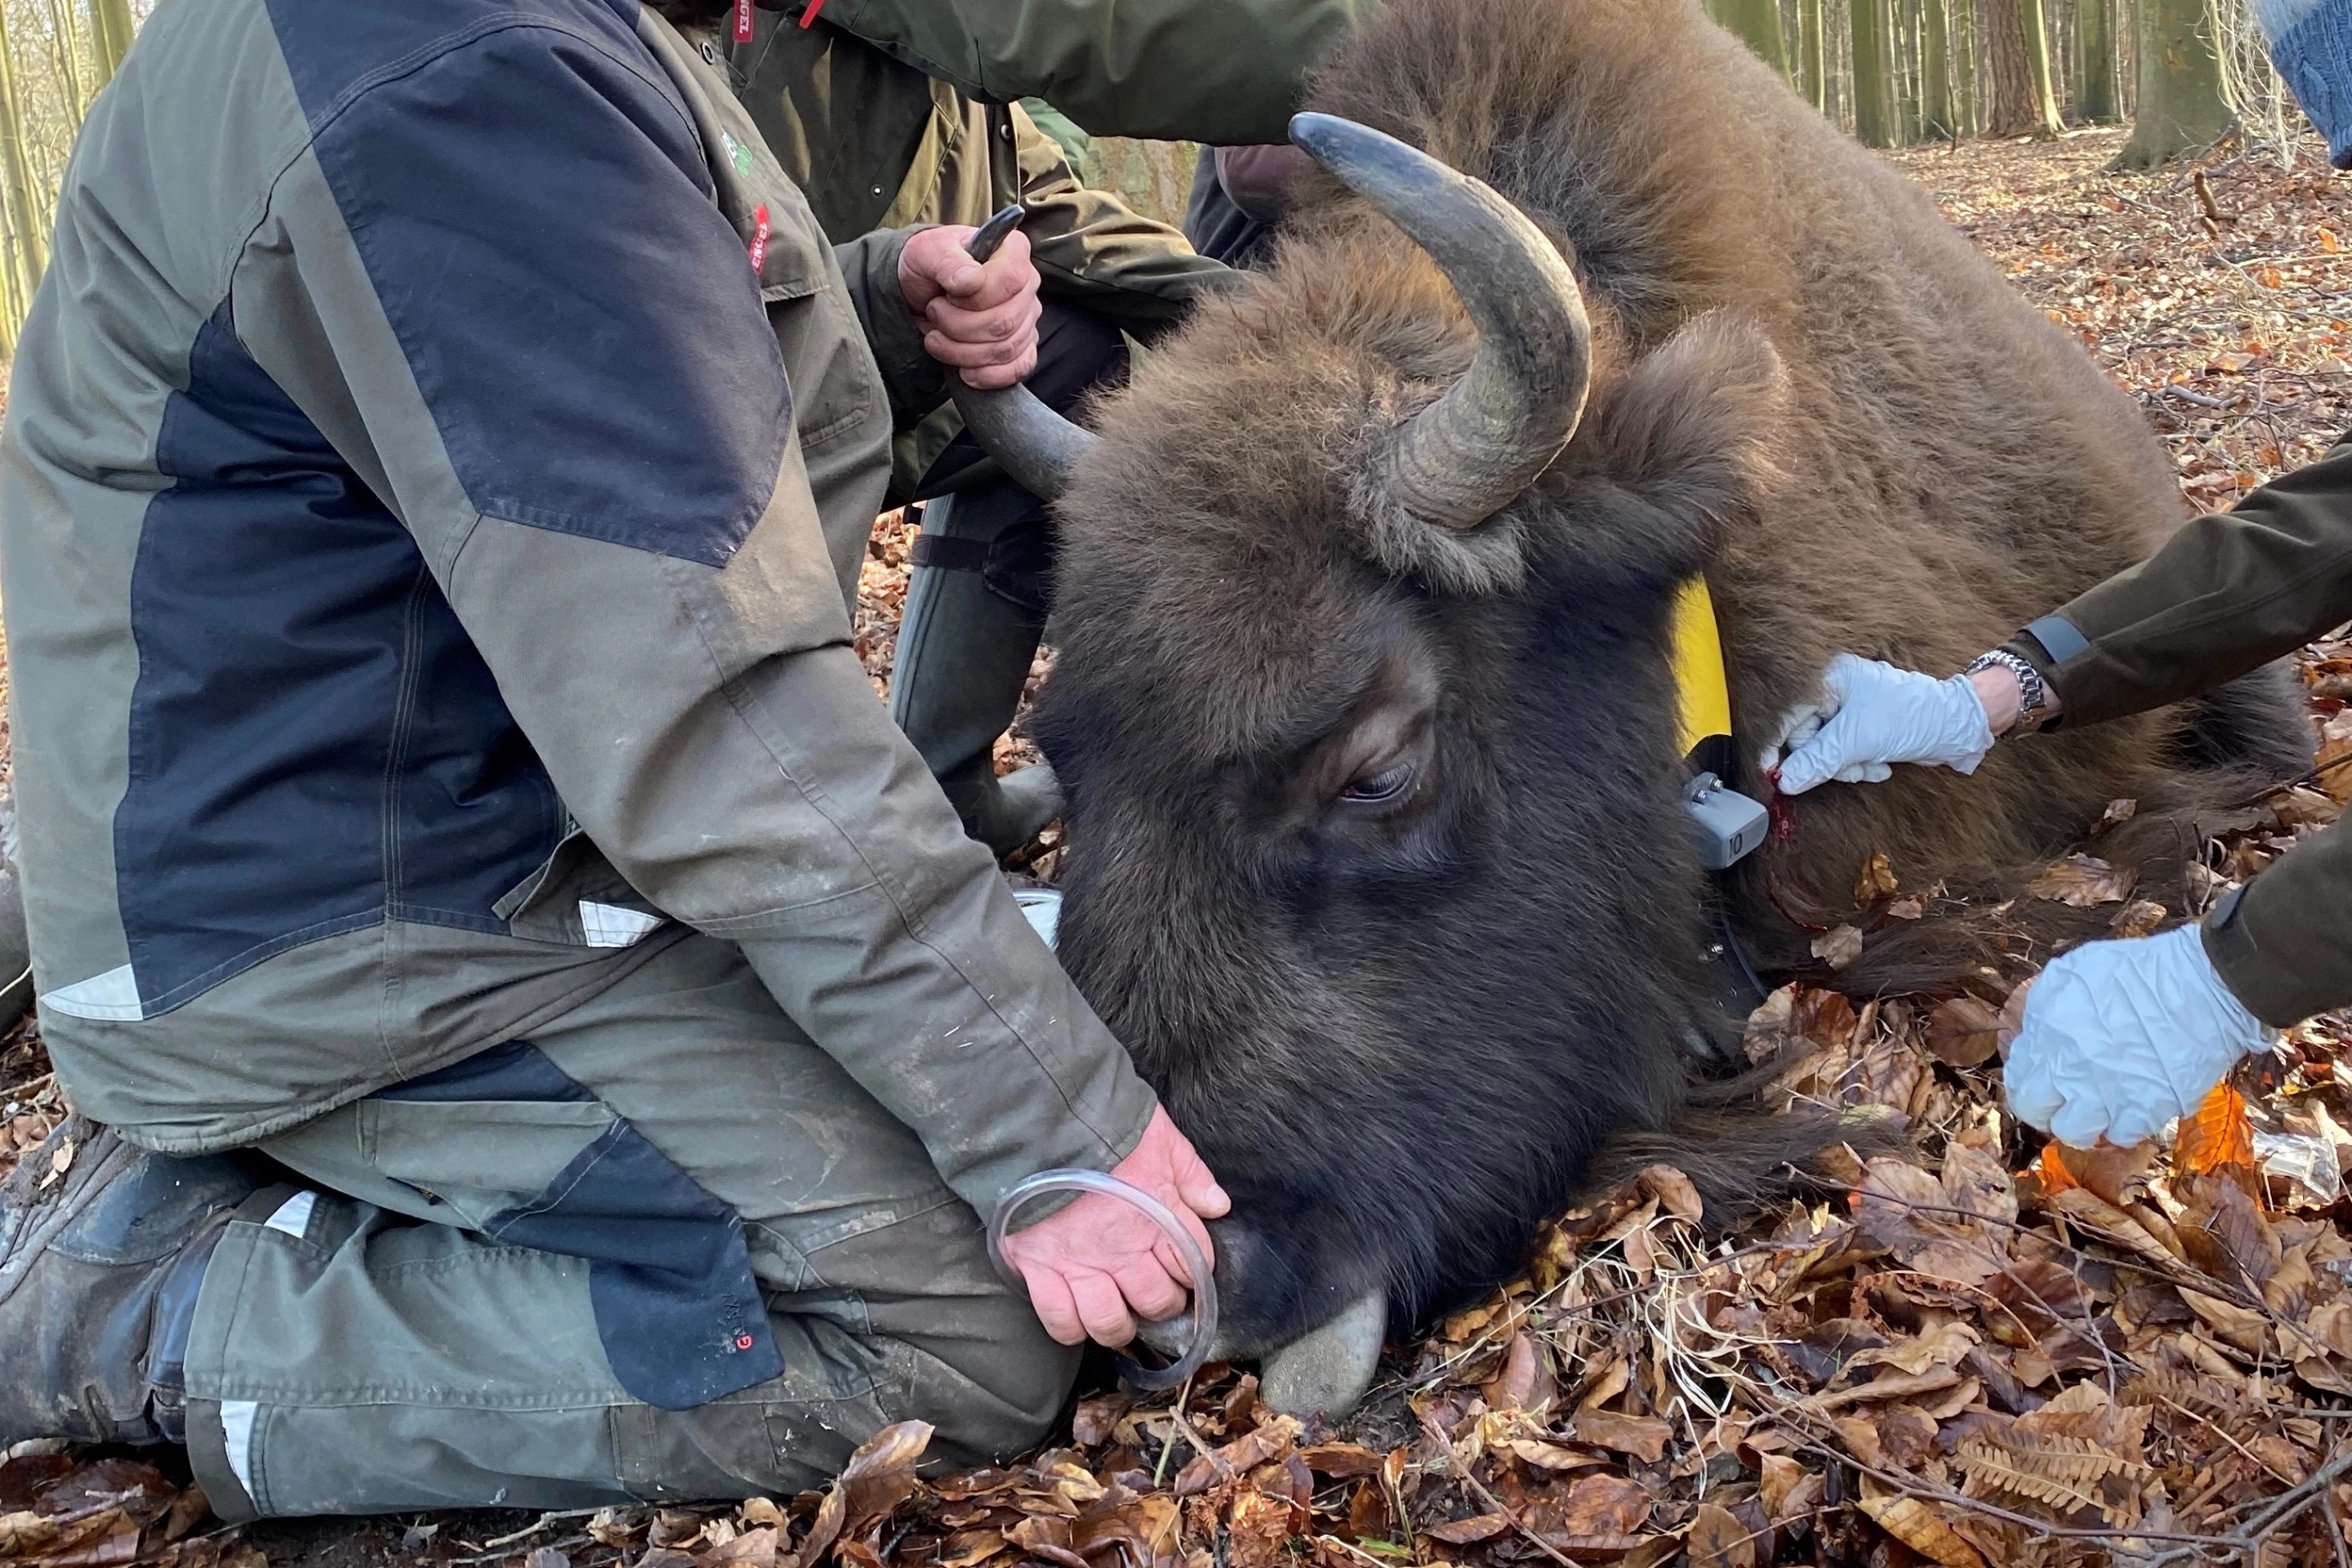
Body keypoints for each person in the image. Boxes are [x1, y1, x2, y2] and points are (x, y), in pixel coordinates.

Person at [0, 0, 1243, 1516]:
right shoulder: (460, 74)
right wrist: (1061, 1136)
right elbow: (711, 711)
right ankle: (142, 1303)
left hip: (436, 833)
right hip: (346, 927)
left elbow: (564, 374)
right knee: (956, 1332)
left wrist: (860, 306)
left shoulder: (496, 41)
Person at [724, 4, 1240, 853]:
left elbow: (1039, 205)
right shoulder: (700, 42)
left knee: (1067, 356)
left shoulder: (924, 47)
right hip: (741, 423)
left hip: (890, 367)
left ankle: (947, 785)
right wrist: (889, 293)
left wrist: (1267, 314)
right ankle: (787, 815)